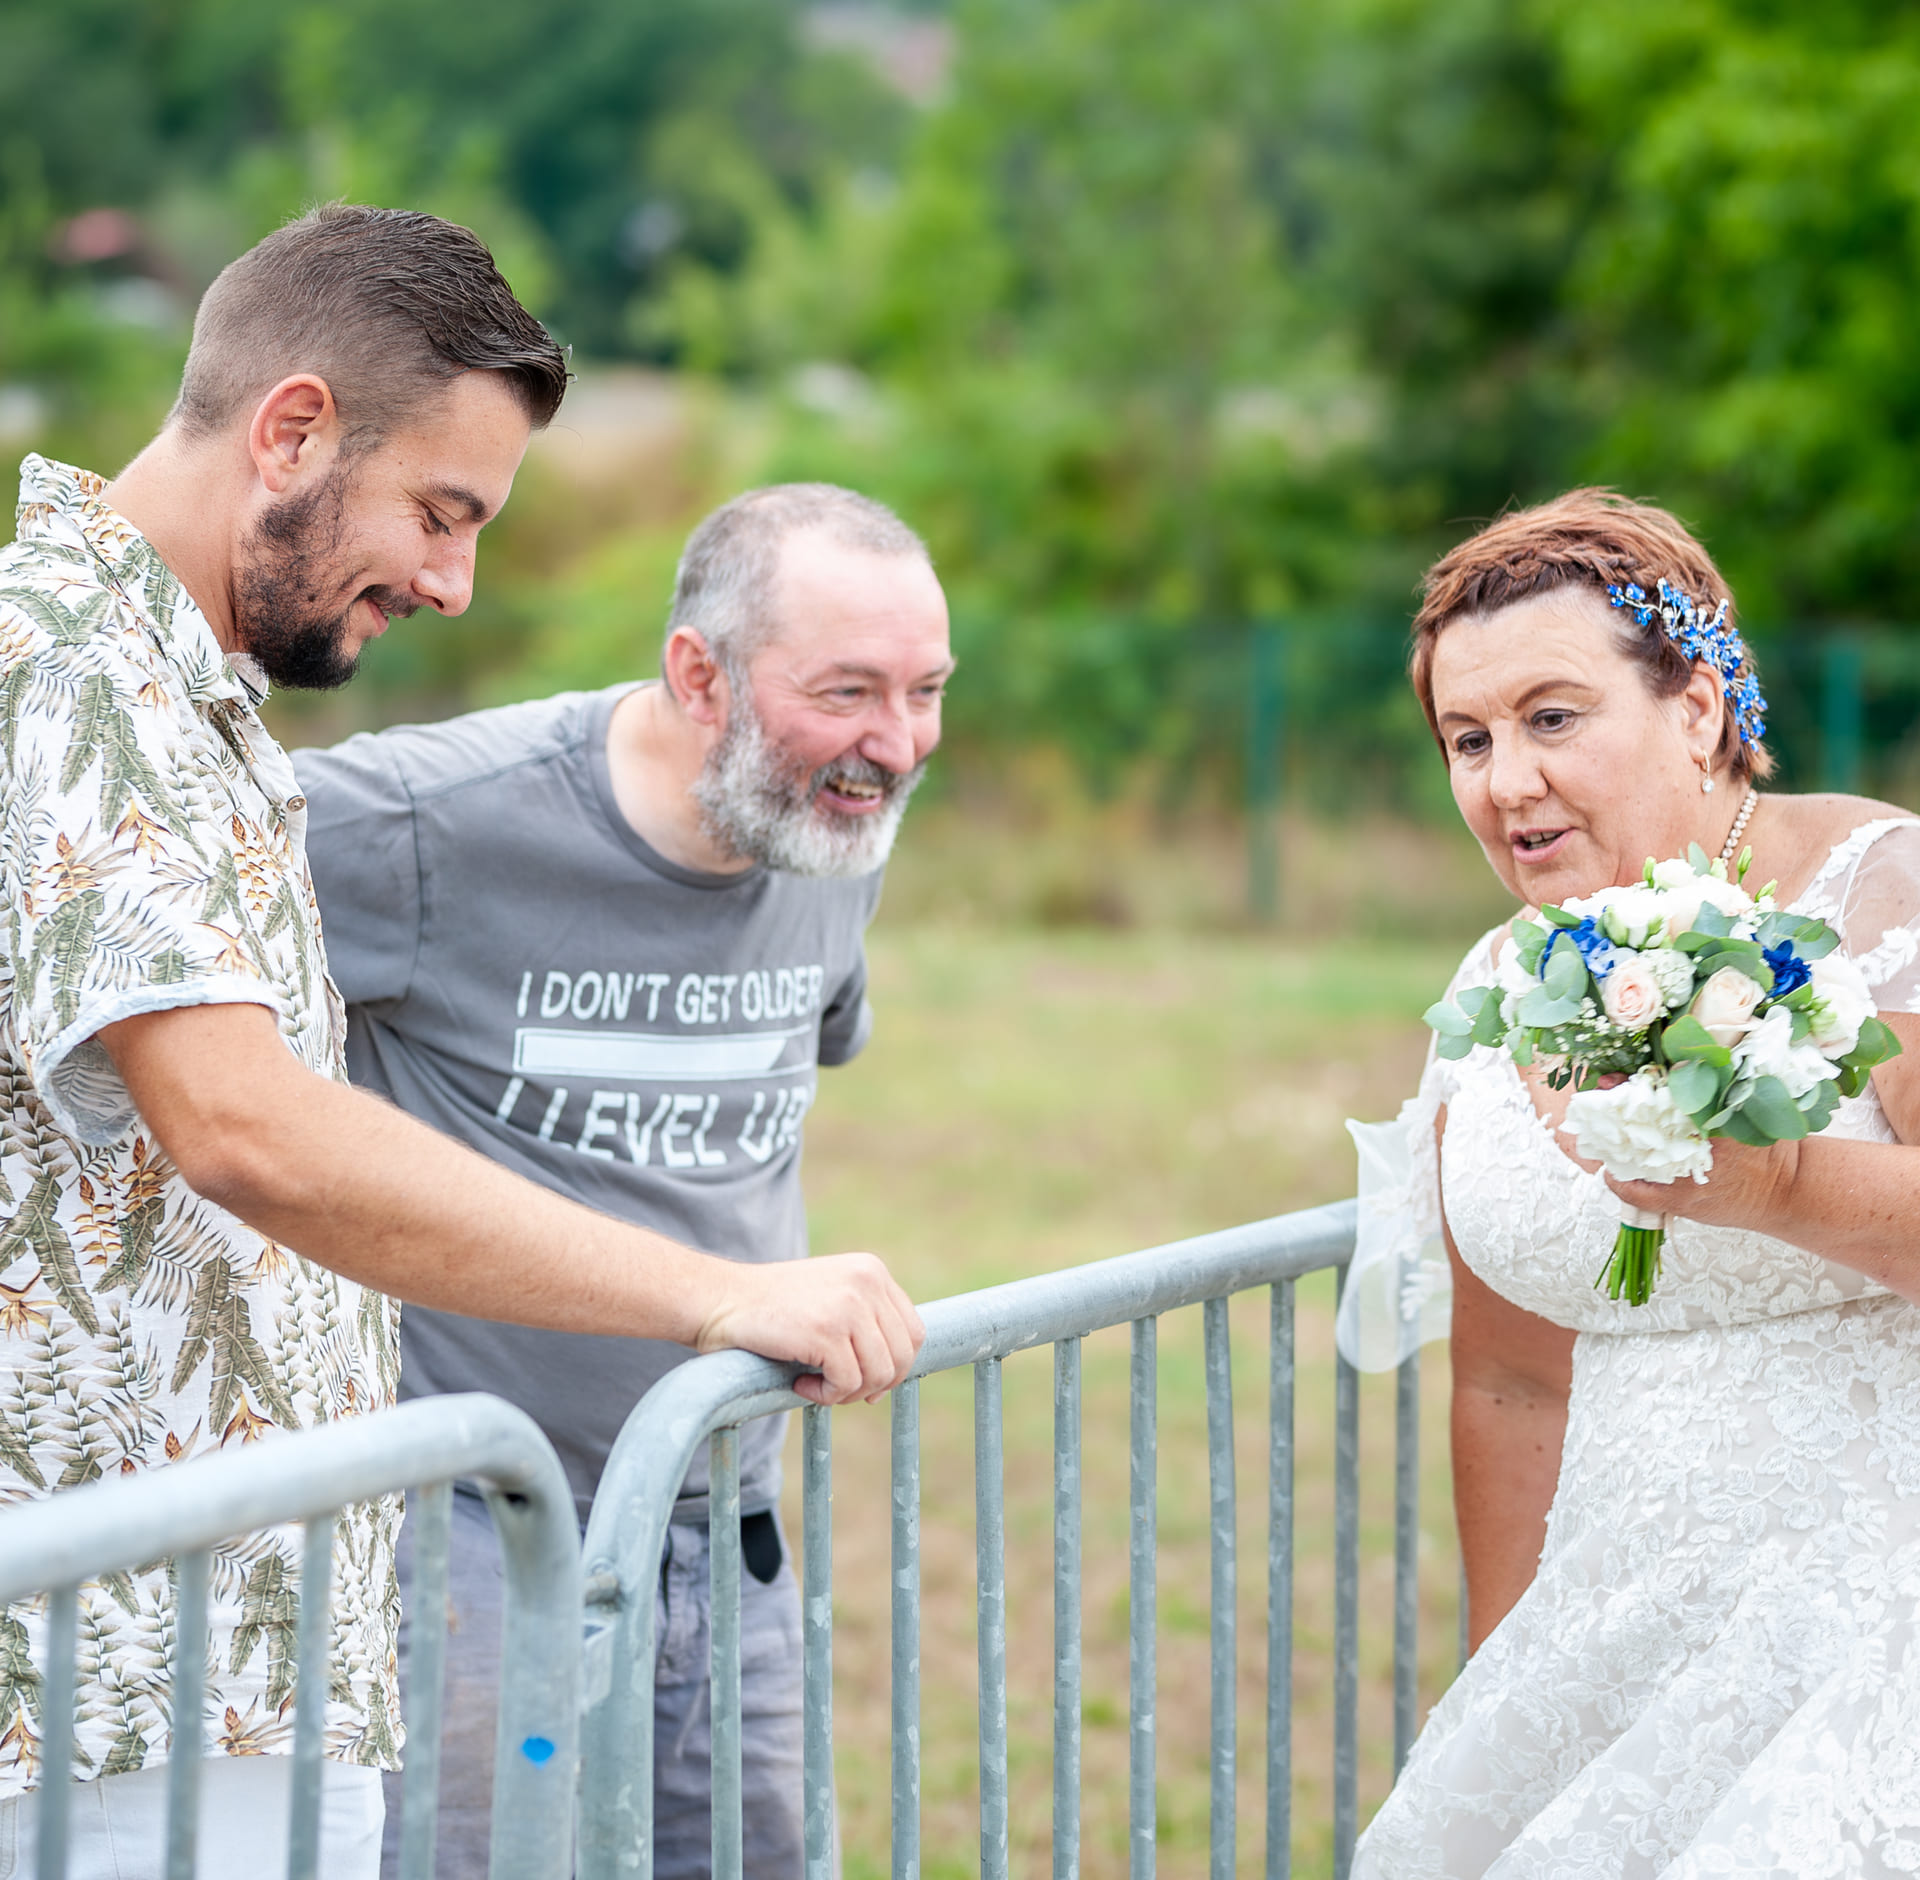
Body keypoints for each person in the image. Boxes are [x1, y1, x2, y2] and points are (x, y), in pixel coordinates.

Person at [0, 207, 922, 1878]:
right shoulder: (69, 676)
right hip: (111, 1674)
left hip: (235, 1649)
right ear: (290, 432)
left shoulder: (184, 702)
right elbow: (247, 1127)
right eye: (442, 512)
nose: (451, 579)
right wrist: (714, 1295)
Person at [292, 482, 952, 1878]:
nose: (894, 748)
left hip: (724, 1526)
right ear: (697, 674)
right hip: (471, 1536)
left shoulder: (830, 833)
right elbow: (120, 897)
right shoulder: (422, 823)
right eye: (847, 693)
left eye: (926, 693)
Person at [1353, 490, 1920, 1877]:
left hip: (1874, 1627)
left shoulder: (1882, 895)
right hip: (1614, 1634)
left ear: (1703, 707)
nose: (1505, 780)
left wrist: (1779, 1190)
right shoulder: (1493, 989)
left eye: (1552, 718)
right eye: (1466, 741)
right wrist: (1510, 1684)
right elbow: (1508, 1381)